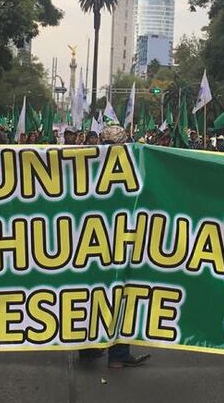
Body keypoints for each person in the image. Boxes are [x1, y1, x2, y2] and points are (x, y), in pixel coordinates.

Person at [78, 125, 151, 369]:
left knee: (91, 295)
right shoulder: (134, 166)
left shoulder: (85, 165)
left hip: (89, 246)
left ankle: (88, 348)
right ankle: (118, 355)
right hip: (120, 245)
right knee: (122, 295)